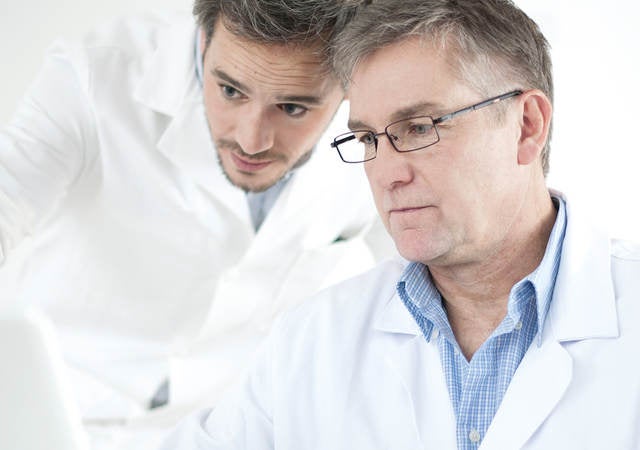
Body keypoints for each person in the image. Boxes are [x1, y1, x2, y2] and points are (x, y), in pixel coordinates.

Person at [158, 0, 640, 449]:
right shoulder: (314, 340)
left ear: (527, 125)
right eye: (367, 137)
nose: (387, 174)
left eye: (420, 127)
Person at [0, 0, 394, 448]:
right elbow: (9, 189)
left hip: (227, 427)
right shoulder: (95, 74)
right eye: (230, 91)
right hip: (58, 410)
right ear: (203, 39)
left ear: (348, 83)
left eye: (291, 108)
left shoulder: (384, 120)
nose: (251, 140)